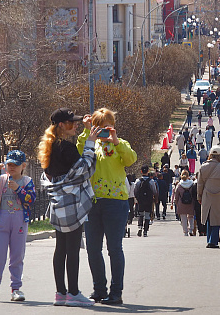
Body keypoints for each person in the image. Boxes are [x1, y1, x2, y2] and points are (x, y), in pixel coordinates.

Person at [38, 108, 100, 306]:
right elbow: (85, 169)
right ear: (62, 126)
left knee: (61, 248)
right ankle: (73, 292)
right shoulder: (66, 147)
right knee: (73, 248)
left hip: (57, 202)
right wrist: (90, 142)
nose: (75, 126)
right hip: (71, 202)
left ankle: (60, 293)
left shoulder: (49, 147)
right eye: (72, 123)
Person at [78, 108, 137, 305]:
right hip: (93, 202)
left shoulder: (121, 144)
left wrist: (116, 141)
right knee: (93, 249)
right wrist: (87, 131)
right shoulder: (90, 145)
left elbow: (130, 159)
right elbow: (80, 152)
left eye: (107, 127)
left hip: (116, 203)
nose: (103, 131)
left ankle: (116, 292)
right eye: (99, 127)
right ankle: (99, 289)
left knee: (114, 248)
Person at [0, 150, 36, 303]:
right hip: (2, 221)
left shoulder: (27, 181)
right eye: (9, 164)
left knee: (17, 256)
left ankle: (16, 289)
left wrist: (18, 189)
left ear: (23, 166)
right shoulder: (0, 180)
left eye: (15, 165)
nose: (12, 168)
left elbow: (30, 199)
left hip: (19, 222)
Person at [197, 146, 220, 248]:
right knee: (217, 219)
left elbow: (200, 184)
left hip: (207, 195)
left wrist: (199, 197)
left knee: (209, 219)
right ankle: (212, 241)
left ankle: (210, 239)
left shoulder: (203, 167)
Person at [134, 165, 157, 237]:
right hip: (148, 200)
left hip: (140, 200)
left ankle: (140, 227)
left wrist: (137, 198)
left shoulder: (138, 181)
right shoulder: (151, 181)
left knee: (140, 214)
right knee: (147, 215)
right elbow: (154, 191)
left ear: (141, 171)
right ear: (148, 171)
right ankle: (145, 231)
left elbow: (135, 191)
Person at [173, 170, 195, 236]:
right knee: (191, 217)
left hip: (181, 203)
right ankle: (191, 229)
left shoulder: (179, 185)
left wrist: (176, 203)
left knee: (183, 218)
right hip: (191, 203)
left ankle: (185, 232)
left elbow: (176, 196)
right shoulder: (192, 184)